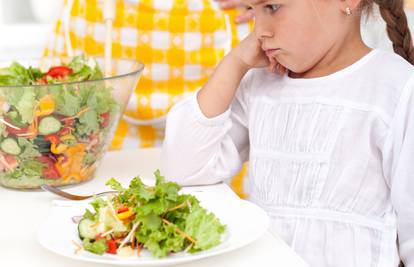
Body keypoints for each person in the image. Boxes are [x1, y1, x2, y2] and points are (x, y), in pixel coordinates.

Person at [162, 0, 414, 266]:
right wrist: (234, 63)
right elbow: (184, 170)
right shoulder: (259, 84)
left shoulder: (396, 90)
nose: (259, 30)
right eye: (251, 11)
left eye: (271, 7)